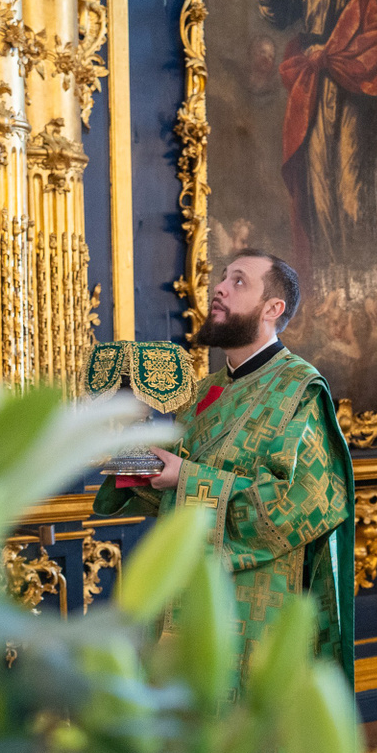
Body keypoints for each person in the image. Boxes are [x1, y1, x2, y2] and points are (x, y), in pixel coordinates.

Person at [94, 250, 355, 698]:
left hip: (257, 603)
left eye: (239, 281)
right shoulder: (205, 390)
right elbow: (169, 484)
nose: (219, 288)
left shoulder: (300, 389)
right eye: (222, 278)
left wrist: (187, 479)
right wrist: (125, 446)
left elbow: (306, 502)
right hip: (186, 591)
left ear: (272, 309)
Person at [247, 0, 377, 265]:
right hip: (313, 90)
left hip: (352, 89)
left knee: (351, 182)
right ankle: (329, 271)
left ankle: (356, 267)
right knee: (317, 182)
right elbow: (278, 12)